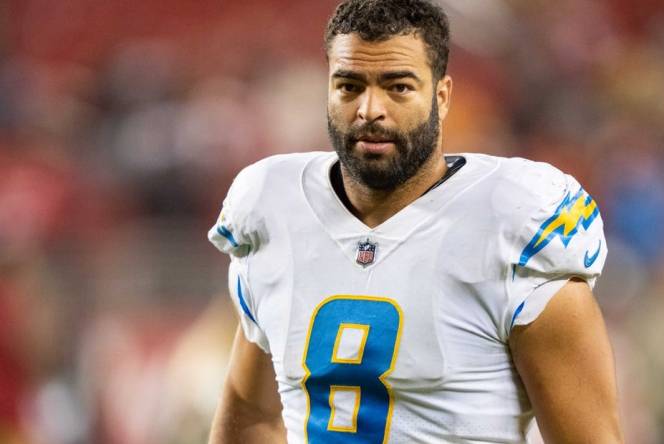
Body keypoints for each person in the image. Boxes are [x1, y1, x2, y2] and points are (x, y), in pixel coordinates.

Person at [207, 0, 622, 442]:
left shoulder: (515, 222)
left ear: (441, 97)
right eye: (348, 86)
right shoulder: (274, 204)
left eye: (398, 87)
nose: (369, 109)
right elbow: (250, 411)